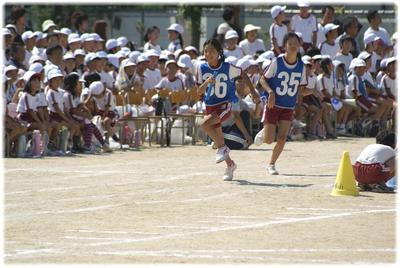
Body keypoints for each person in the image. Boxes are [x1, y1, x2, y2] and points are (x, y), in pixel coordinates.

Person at [197, 38, 260, 181]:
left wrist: (253, 92)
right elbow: (198, 92)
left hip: (224, 105)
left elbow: (243, 74)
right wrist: (206, 83)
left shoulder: (227, 67)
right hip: (210, 106)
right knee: (220, 141)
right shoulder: (201, 68)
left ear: (219, 53)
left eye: (212, 51)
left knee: (203, 124)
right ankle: (230, 165)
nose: (208, 54)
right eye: (206, 51)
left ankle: (222, 149)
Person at [256, 32, 310, 175]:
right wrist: (271, 92)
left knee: (282, 137)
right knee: (268, 140)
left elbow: (301, 90)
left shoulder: (301, 66)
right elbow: (262, 79)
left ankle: (271, 164)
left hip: (288, 106)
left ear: (299, 46)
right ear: (285, 46)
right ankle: (265, 132)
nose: (293, 46)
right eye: (290, 43)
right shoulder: (277, 62)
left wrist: (314, 92)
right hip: (273, 105)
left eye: (295, 44)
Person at [63, 73, 111, 153]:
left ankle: (101, 144)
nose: (81, 85)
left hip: (76, 116)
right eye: (79, 83)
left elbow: (81, 105)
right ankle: (88, 146)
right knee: (88, 124)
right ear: (73, 84)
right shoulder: (68, 95)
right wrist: (85, 115)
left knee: (91, 125)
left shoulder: (75, 95)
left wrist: (88, 113)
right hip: (70, 117)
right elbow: (72, 110)